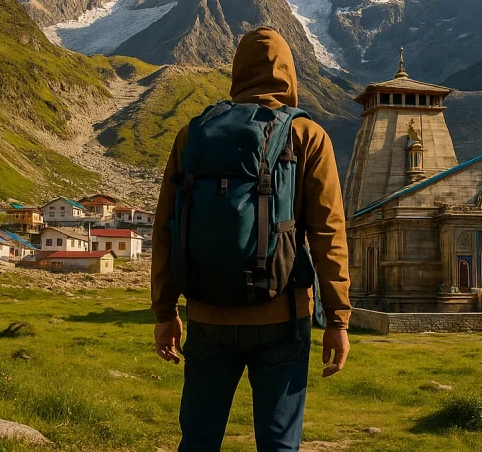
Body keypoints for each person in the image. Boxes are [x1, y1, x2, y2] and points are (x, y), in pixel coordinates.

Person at [150, 27, 351, 452]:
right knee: (279, 446)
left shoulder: (193, 134)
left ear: (237, 72)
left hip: (208, 315)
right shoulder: (308, 136)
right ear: (289, 74)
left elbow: (167, 228)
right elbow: (328, 234)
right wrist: (338, 320)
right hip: (283, 317)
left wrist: (165, 312)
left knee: (199, 440)